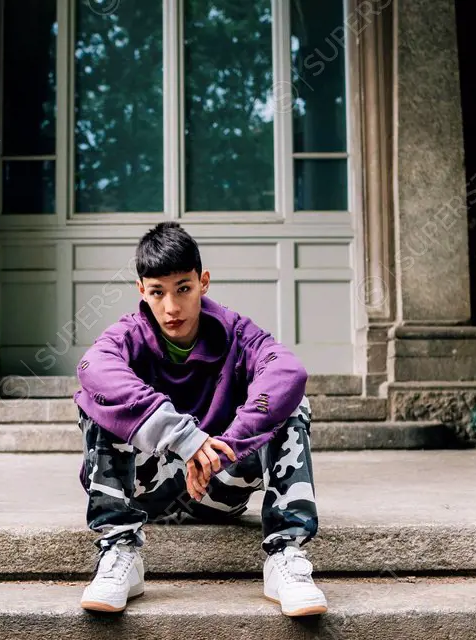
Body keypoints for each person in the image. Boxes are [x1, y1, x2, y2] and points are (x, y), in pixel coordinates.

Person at [73, 221, 325, 617]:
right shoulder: (127, 336)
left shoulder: (238, 332)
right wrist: (184, 437)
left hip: (218, 487)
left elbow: (288, 373)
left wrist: (223, 448)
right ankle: (119, 551)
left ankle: (285, 555)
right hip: (145, 491)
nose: (171, 307)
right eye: (157, 292)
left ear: (203, 282)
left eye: (183, 289)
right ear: (142, 290)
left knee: (290, 402)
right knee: (96, 396)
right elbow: (93, 367)